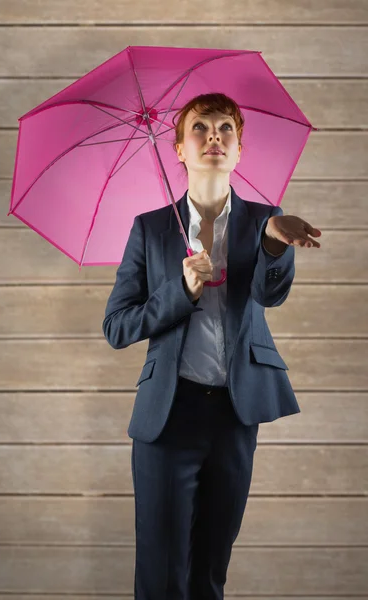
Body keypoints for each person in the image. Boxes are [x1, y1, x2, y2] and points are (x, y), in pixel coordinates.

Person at [103, 93, 322, 600]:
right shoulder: (151, 229)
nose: (214, 137)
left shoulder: (267, 220)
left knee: (210, 574)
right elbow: (117, 326)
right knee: (161, 576)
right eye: (200, 128)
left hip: (235, 414)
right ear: (179, 148)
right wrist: (179, 292)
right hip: (168, 417)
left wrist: (272, 244)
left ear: (240, 149)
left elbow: (272, 294)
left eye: (226, 128)